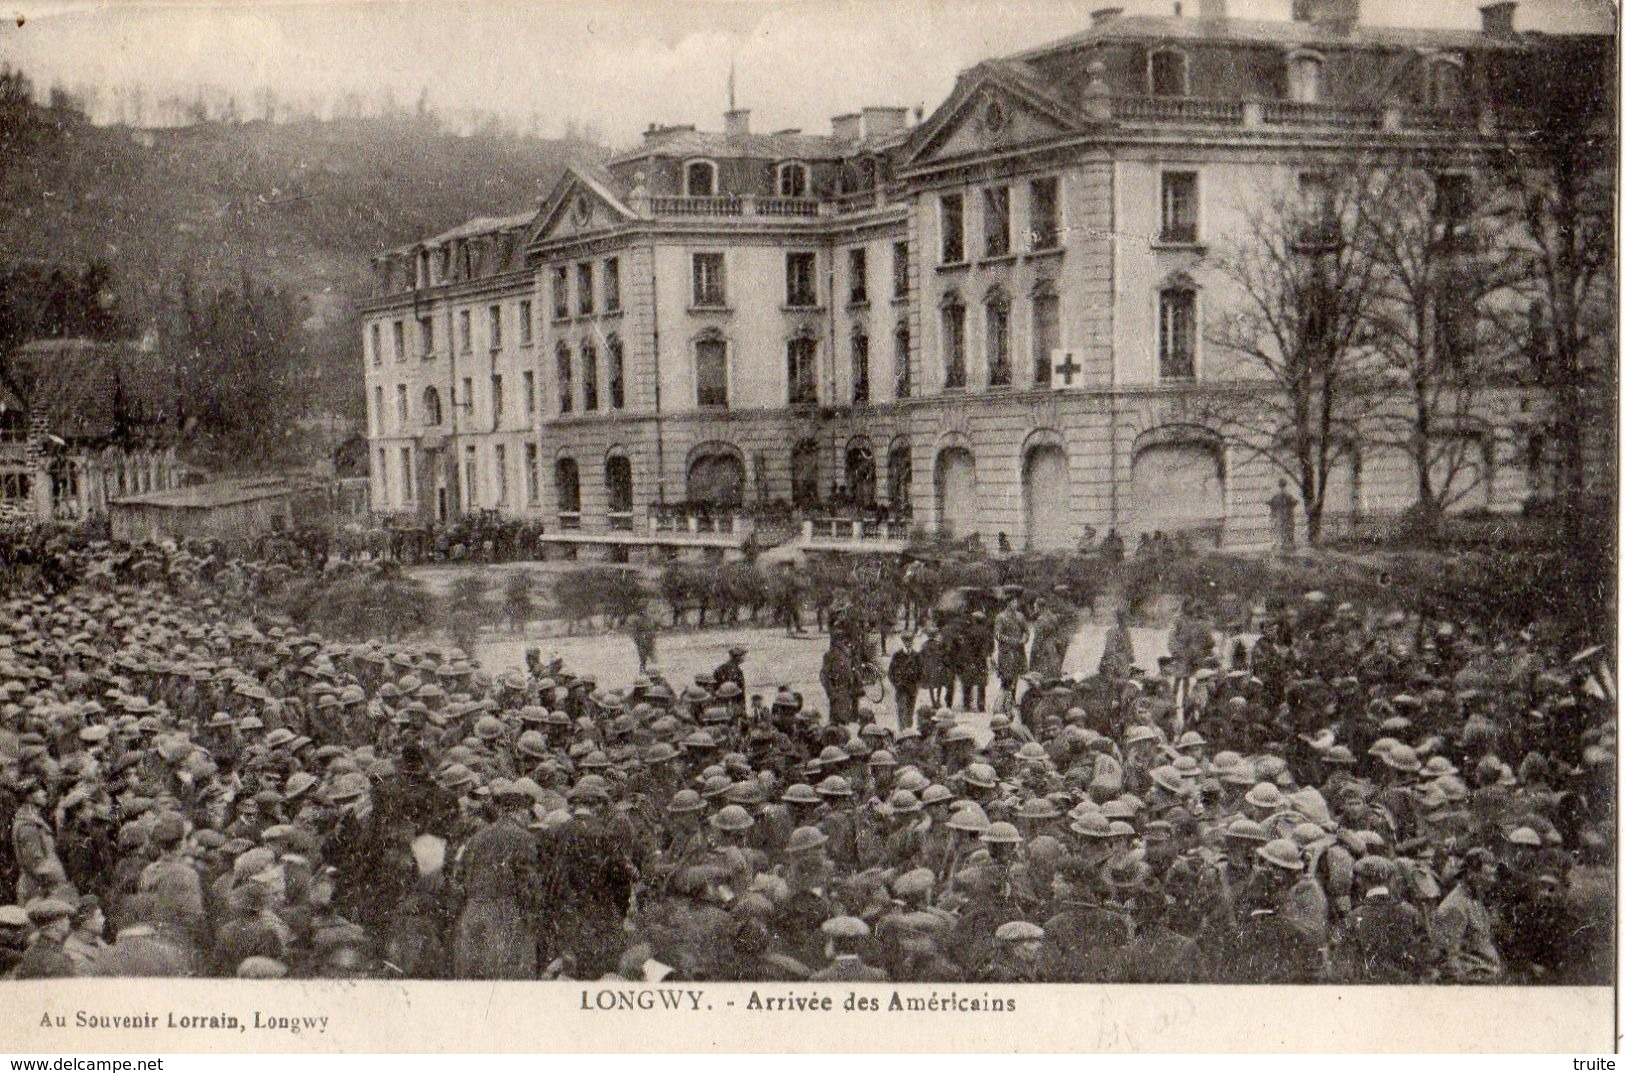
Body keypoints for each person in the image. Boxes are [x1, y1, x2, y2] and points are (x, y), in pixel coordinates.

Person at [993, 599, 1029, 714]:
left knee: (1016, 675)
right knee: (1006, 677)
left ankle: (1011, 700)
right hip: (1006, 652)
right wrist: (1010, 640)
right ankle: (1003, 702)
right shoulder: (1001, 617)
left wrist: (1024, 639)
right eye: (1013, 602)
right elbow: (997, 634)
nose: (1016, 604)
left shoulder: (1020, 616)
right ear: (1008, 604)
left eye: (1016, 602)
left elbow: (1026, 631)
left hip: (1018, 651)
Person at [887, 634, 922, 731]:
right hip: (901, 689)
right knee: (902, 710)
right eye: (906, 641)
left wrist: (917, 685)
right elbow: (890, 672)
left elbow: (921, 672)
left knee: (910, 712)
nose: (908, 643)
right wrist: (896, 684)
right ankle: (902, 732)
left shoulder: (916, 656)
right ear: (903, 642)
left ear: (912, 642)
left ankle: (909, 731)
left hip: (912, 689)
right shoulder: (897, 655)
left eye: (910, 641)